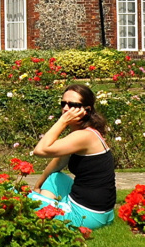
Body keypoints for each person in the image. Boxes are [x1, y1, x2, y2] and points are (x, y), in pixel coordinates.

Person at [29, 83, 117, 230]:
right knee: (54, 177)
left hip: (86, 216)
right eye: (63, 103)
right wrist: (38, 185)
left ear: (87, 110)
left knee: (16, 196)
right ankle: (47, 217)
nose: (65, 109)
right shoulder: (89, 133)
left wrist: (62, 121)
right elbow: (58, 162)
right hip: (102, 213)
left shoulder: (84, 136)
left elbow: (40, 150)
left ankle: (47, 217)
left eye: (73, 105)